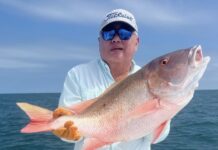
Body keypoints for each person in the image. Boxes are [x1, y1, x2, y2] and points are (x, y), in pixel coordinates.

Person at [52, 8, 170, 150]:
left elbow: (158, 137)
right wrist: (66, 131)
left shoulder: (152, 80)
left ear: (137, 42)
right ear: (99, 41)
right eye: (108, 34)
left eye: (124, 34)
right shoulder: (77, 75)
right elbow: (65, 136)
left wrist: (160, 110)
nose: (116, 39)